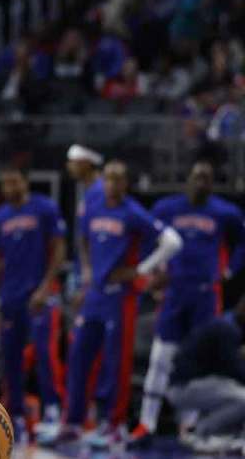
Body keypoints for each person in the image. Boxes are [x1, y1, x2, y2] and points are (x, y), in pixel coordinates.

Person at [40, 161, 182, 450]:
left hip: (120, 296)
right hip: (95, 293)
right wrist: (88, 271)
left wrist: (142, 270)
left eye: (118, 179)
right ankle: (74, 422)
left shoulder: (132, 212)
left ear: (126, 183)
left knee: (116, 362)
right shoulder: (92, 207)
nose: (113, 184)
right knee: (79, 356)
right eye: (108, 178)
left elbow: (172, 241)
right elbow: (82, 239)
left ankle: (114, 426)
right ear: (102, 181)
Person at [131, 161, 245, 446]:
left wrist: (230, 269)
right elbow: (146, 237)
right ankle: (147, 423)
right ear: (188, 179)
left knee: (202, 364)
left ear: (213, 183)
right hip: (174, 292)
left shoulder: (225, 211)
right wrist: (153, 270)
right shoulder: (166, 208)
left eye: (207, 178)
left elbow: (242, 242)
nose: (201, 183)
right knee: (160, 358)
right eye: (197, 177)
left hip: (205, 294)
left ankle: (190, 426)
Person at [0, 166, 67, 441]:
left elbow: (59, 249)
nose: (9, 187)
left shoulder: (44, 208)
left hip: (41, 295)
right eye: (5, 182)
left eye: (14, 181)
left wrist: (46, 288)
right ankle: (15, 416)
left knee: (45, 353)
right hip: (10, 296)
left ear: (25, 181)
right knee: (10, 360)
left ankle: (53, 411)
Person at [166, 296, 245, 453]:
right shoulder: (227, 330)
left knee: (232, 391)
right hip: (184, 387)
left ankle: (221, 433)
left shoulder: (225, 323)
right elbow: (235, 371)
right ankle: (202, 433)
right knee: (243, 399)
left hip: (194, 383)